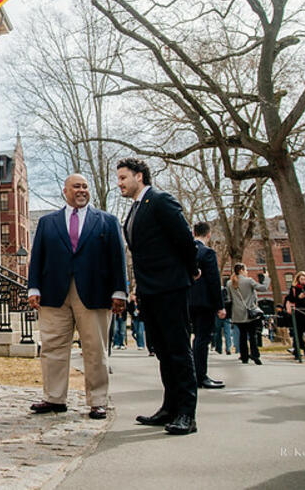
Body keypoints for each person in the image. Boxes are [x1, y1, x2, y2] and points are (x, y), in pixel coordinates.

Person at [27, 174, 128, 420]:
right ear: (65, 191)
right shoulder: (47, 222)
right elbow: (37, 256)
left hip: (94, 293)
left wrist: (119, 291)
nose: (81, 190)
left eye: (85, 186)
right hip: (54, 293)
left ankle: (98, 401)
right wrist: (33, 288)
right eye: (76, 187)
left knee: (95, 348)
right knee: (52, 347)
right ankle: (54, 398)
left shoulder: (107, 221)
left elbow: (118, 258)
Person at [118, 157, 199, 435]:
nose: (120, 183)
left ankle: (187, 414)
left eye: (123, 177)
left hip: (171, 288)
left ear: (139, 176)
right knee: (163, 352)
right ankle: (170, 408)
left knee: (178, 350)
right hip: (149, 291)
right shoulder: (135, 210)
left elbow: (185, 239)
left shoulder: (161, 200)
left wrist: (191, 271)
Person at [187, 222, 226, 389]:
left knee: (193, 337)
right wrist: (220, 305)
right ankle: (201, 375)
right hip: (204, 302)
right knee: (203, 338)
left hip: (187, 301)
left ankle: (193, 374)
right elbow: (213, 280)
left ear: (193, 232)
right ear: (208, 235)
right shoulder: (207, 253)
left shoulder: (186, 252)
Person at [228, 263, 268, 364]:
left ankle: (244, 356)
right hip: (249, 312)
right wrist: (266, 278)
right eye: (246, 270)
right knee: (252, 335)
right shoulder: (248, 281)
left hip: (237, 313)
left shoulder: (229, 283)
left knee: (242, 335)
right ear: (241, 270)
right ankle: (255, 355)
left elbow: (229, 299)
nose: (247, 272)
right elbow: (263, 288)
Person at [283, 271, 305, 359]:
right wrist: (299, 297)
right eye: (301, 279)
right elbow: (291, 299)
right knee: (298, 335)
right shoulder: (294, 289)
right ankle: (299, 351)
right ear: (298, 279)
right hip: (299, 315)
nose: (303, 281)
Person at [213, 278, 235, 355]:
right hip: (226, 314)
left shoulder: (214, 291)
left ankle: (219, 348)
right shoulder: (225, 290)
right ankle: (227, 348)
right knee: (227, 332)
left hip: (218, 314)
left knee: (218, 332)